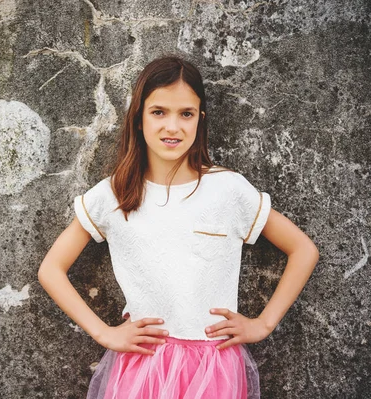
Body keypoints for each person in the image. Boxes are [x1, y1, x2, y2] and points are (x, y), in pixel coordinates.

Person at [37, 55, 319, 399]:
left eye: (185, 114)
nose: (173, 126)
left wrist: (263, 323)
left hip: (213, 367)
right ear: (138, 118)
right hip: (143, 366)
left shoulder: (227, 190)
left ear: (200, 119)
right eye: (159, 112)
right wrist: (104, 333)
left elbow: (303, 249)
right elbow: (51, 269)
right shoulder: (115, 193)